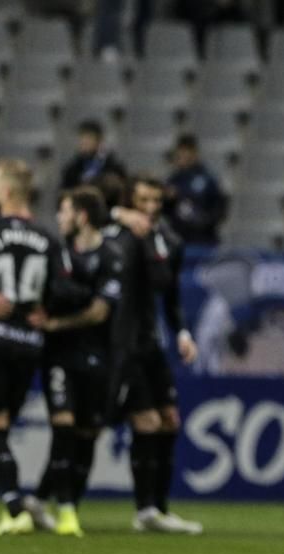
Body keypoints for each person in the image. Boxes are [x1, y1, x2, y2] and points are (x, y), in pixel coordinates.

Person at [0, 159, 85, 536]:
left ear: (8, 192)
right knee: (1, 433)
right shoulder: (48, 239)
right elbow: (66, 289)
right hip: (30, 342)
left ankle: (14, 508)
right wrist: (47, 311)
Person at [24, 187, 125, 537]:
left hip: (98, 356)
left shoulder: (111, 255)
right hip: (60, 356)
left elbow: (100, 312)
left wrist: (56, 323)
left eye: (65, 211)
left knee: (87, 435)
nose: (60, 217)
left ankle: (53, 501)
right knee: (63, 426)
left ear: (81, 216)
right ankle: (62, 506)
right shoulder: (56, 252)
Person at [110, 176, 201, 534]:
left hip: (151, 343)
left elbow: (171, 295)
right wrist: (116, 215)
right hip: (123, 345)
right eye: (142, 200)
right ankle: (145, 509)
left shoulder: (168, 241)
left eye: (155, 201)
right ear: (130, 201)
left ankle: (158, 508)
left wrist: (182, 332)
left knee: (169, 421)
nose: (149, 207)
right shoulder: (118, 237)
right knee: (143, 422)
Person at [165, 133, 227, 245]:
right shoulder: (173, 180)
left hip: (203, 240)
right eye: (179, 153)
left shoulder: (208, 179)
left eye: (186, 152)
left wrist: (205, 223)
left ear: (194, 153)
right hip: (179, 240)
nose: (182, 157)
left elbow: (219, 207)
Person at [59, 119, 127, 190]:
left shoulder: (112, 166)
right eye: (81, 138)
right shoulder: (72, 169)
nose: (84, 142)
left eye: (88, 138)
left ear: (99, 140)